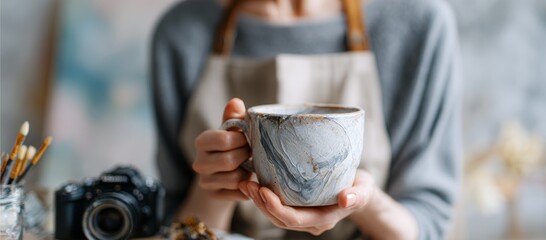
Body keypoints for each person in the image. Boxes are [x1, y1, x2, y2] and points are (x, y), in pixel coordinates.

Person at [151, 0, 461, 239]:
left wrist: (361, 200)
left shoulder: (418, 23)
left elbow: (427, 222)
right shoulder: (182, 33)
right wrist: (217, 186)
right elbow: (171, 223)